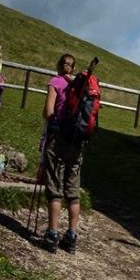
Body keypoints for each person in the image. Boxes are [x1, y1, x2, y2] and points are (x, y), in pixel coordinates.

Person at [39, 53, 89, 253]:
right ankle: (71, 236)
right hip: (77, 142)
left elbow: (48, 112)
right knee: (72, 189)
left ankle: (52, 235)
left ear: (60, 65)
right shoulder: (80, 87)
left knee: (54, 185)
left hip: (57, 139)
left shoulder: (56, 82)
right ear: (73, 67)